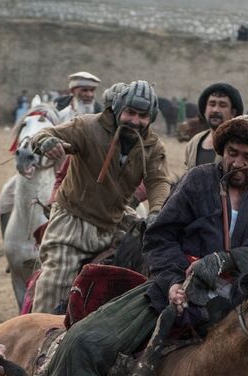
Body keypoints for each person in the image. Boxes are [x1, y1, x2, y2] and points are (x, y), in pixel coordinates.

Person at [5, 114, 248, 376]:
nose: (238, 162)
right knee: (84, 340)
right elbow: (160, 235)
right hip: (176, 291)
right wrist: (173, 280)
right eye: (232, 152)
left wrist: (224, 261)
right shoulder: (198, 181)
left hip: (245, 302)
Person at [25, 80, 171, 315]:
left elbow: (158, 181)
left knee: (153, 260)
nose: (135, 120)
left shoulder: (152, 146)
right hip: (72, 220)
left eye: (142, 115)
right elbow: (44, 134)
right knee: (55, 282)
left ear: (151, 117)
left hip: (114, 219)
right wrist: (46, 142)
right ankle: (40, 334)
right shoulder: (87, 127)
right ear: (118, 109)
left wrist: (156, 212)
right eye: (130, 112)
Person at [183, 81, 242, 169]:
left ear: (233, 112)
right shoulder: (193, 143)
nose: (215, 110)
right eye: (212, 104)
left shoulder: (241, 144)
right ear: (204, 110)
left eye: (222, 105)